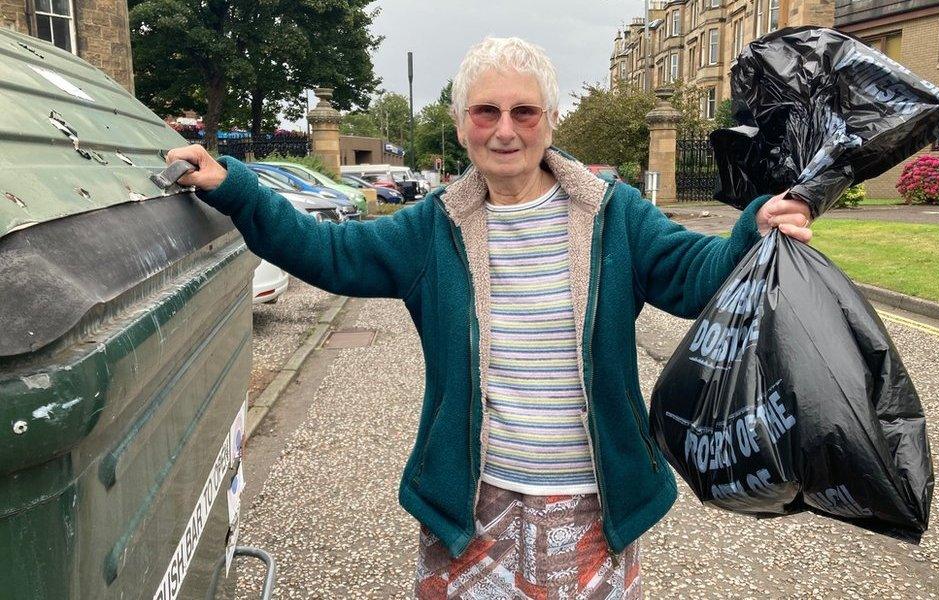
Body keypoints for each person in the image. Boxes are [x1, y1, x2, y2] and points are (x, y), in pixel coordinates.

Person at [166, 36, 812, 600]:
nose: (506, 129)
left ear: (551, 120)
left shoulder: (616, 216)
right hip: (471, 505)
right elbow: (331, 254)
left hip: (591, 505)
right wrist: (236, 187)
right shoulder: (432, 227)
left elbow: (696, 276)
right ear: (461, 122)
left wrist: (751, 234)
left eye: (524, 111)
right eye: (487, 111)